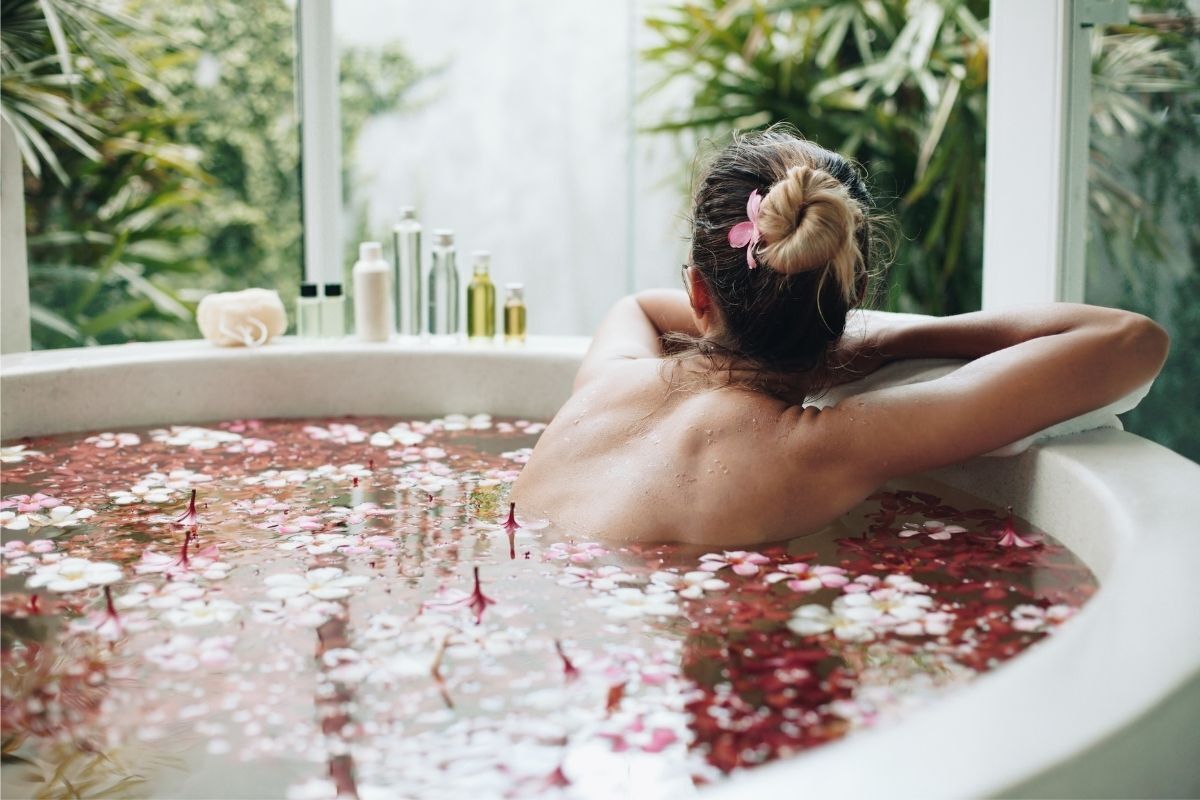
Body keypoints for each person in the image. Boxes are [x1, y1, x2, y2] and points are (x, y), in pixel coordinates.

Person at [511, 127, 1169, 545]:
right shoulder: (825, 446)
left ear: (698, 292)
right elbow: (1130, 340)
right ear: (850, 298)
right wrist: (880, 346)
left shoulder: (610, 377)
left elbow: (642, 306)